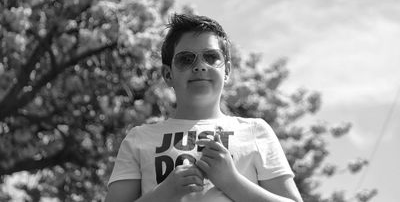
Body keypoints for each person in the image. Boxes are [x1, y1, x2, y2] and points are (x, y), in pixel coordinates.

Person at [105, 14, 303, 202]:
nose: (200, 66)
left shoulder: (255, 131)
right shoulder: (138, 138)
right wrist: (166, 192)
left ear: (227, 71)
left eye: (211, 57)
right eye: (186, 59)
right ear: (167, 75)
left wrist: (231, 181)